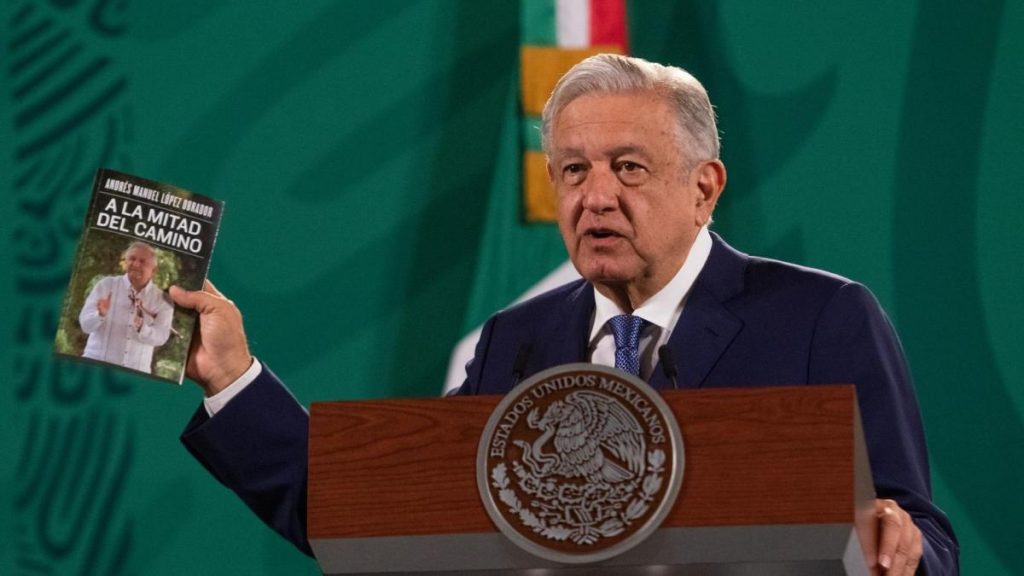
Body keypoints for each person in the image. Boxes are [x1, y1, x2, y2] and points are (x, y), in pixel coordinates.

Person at [169, 54, 958, 574]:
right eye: (573, 171)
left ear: (705, 188)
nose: (596, 196)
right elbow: (378, 516)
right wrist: (233, 377)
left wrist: (900, 549)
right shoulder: (517, 341)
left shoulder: (821, 318)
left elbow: (922, 540)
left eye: (628, 167)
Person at [79, 241, 174, 374]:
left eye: (142, 261)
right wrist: (100, 315)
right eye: (132, 259)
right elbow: (85, 326)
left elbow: (161, 337)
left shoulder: (163, 300)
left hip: (136, 374)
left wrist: (142, 329)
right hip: (94, 367)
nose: (136, 264)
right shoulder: (105, 285)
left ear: (154, 270)